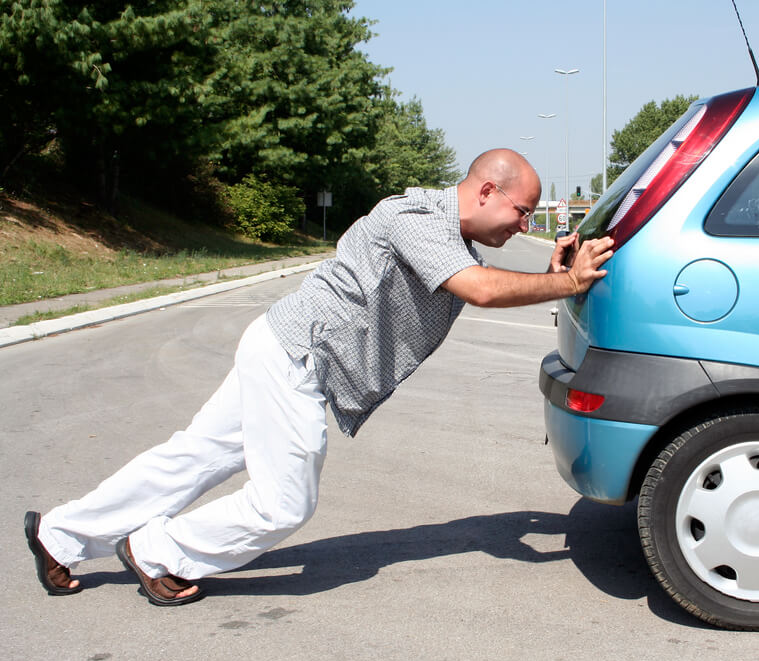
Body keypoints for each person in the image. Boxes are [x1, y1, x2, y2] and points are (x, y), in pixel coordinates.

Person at [24, 148, 614, 606]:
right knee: (284, 503)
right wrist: (567, 283)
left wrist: (548, 272)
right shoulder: (414, 215)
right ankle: (156, 550)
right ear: (487, 190)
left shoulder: (451, 237)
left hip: (282, 348)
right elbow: (482, 291)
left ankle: (60, 535)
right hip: (296, 358)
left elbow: (486, 281)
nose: (523, 223)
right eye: (521, 211)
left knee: (193, 457)